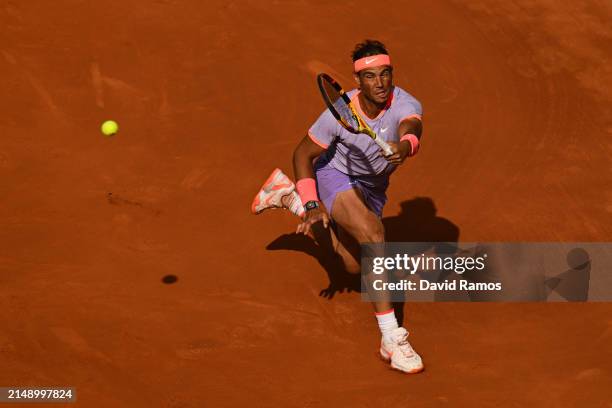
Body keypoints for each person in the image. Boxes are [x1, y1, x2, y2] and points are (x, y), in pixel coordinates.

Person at [251, 39, 424, 374]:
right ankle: (391, 340)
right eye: (370, 76)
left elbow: (412, 126)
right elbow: (303, 155)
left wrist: (406, 145)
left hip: (372, 188)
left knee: (355, 268)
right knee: (375, 237)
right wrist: (317, 200)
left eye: (385, 74)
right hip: (335, 174)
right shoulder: (339, 113)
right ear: (358, 81)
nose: (380, 83)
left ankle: (291, 199)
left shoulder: (405, 103)